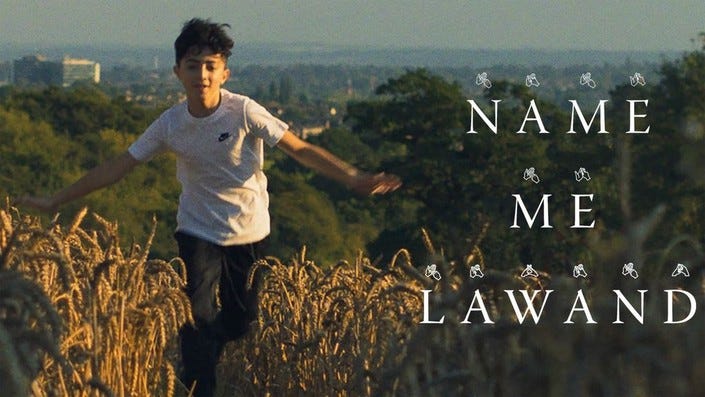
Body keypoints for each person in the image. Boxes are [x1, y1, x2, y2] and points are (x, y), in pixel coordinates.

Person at [18, 18, 401, 397]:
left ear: (224, 73)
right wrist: (55, 200)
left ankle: (204, 353)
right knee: (195, 316)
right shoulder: (170, 125)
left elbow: (300, 149)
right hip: (197, 231)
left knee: (241, 322)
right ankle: (198, 381)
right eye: (192, 65)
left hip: (249, 231)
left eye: (210, 66)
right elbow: (117, 166)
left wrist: (353, 177)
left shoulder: (244, 112)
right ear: (177, 72)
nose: (201, 73)